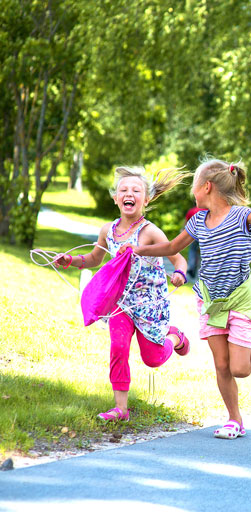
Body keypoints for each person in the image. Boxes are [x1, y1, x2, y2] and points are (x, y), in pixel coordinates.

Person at [126, 158, 251, 439]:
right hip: (210, 302)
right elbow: (173, 246)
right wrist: (139, 250)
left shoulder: (240, 216)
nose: (194, 194)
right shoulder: (198, 221)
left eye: (195, 188)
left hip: (240, 300)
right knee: (222, 365)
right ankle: (234, 419)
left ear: (207, 187)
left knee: (241, 369)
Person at [54, 166, 192, 422]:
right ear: (116, 198)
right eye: (123, 190)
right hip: (121, 304)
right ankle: (120, 409)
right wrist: (70, 260)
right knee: (118, 347)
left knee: (153, 360)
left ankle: (175, 337)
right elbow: (94, 259)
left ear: (146, 199)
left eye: (136, 190)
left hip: (150, 304)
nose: (129, 194)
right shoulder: (108, 230)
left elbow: (178, 258)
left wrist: (180, 274)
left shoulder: (150, 232)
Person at [184, 206, 204, 279]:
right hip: (204, 235)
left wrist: (183, 230)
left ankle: (191, 267)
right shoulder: (206, 210)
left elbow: (186, 223)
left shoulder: (191, 211)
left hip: (193, 235)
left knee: (192, 250)